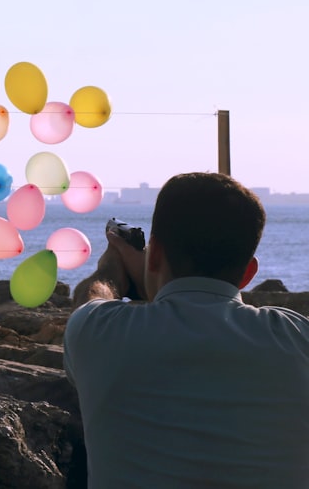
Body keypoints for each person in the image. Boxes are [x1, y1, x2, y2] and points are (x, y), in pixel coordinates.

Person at [64, 172, 309, 488]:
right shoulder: (297, 337)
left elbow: (90, 301)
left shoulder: (98, 333)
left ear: (157, 255)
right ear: (248, 272)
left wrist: (112, 270)